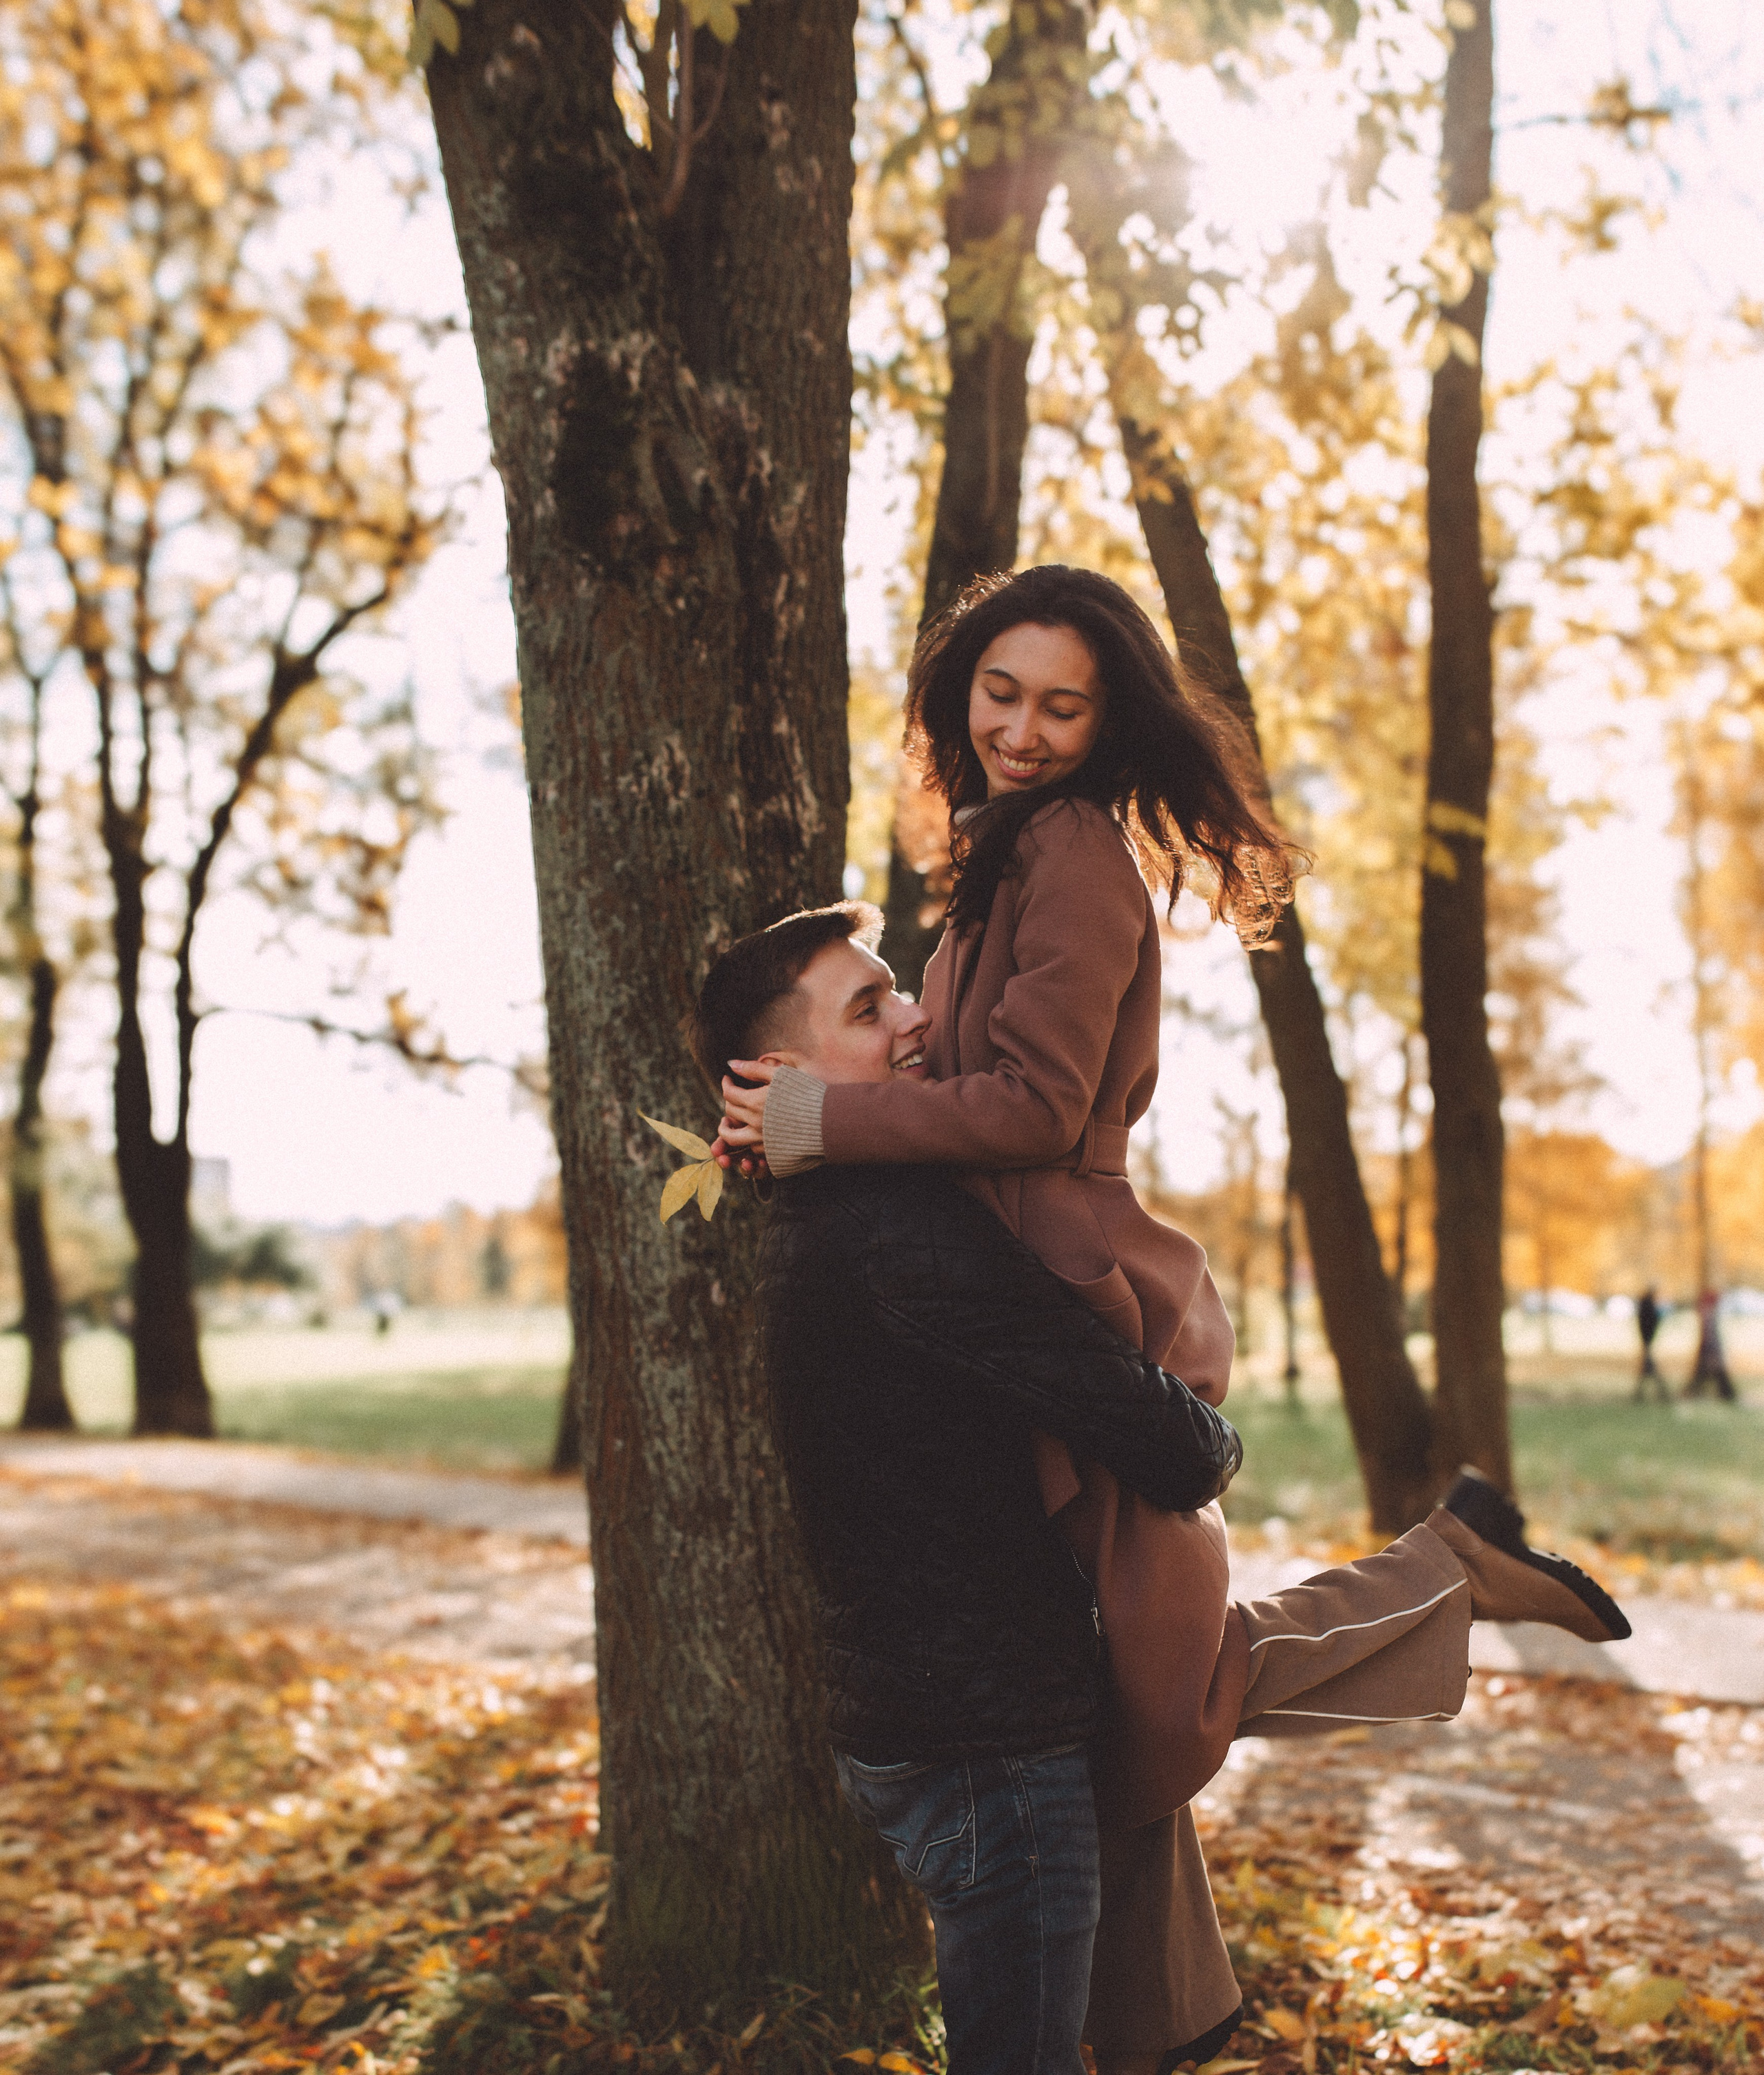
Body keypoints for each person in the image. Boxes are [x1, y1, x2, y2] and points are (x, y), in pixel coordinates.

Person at [695, 898, 1631, 2075]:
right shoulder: (900, 1233)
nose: (920, 1019)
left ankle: (1451, 1564)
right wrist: (1198, 1416)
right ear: (782, 1076)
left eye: (906, 987)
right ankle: (1452, 1564)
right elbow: (1178, 1447)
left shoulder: (821, 1222)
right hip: (989, 1756)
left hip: (943, 1722)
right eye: (871, 1006)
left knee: (1198, 1682)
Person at [1685, 1286, 1736, 1402]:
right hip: (1710, 1349)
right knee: (1712, 1374)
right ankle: (1726, 1395)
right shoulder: (1709, 1315)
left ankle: (1725, 1394)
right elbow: (1710, 1335)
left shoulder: (1708, 1314)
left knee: (1709, 1375)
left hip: (1709, 1349)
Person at [1634, 1285, 1668, 1402]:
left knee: (1647, 1370)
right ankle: (1662, 1393)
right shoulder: (1648, 1306)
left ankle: (1640, 1395)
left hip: (1647, 1340)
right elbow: (1649, 1323)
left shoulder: (1646, 1305)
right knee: (1650, 1369)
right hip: (1647, 1340)